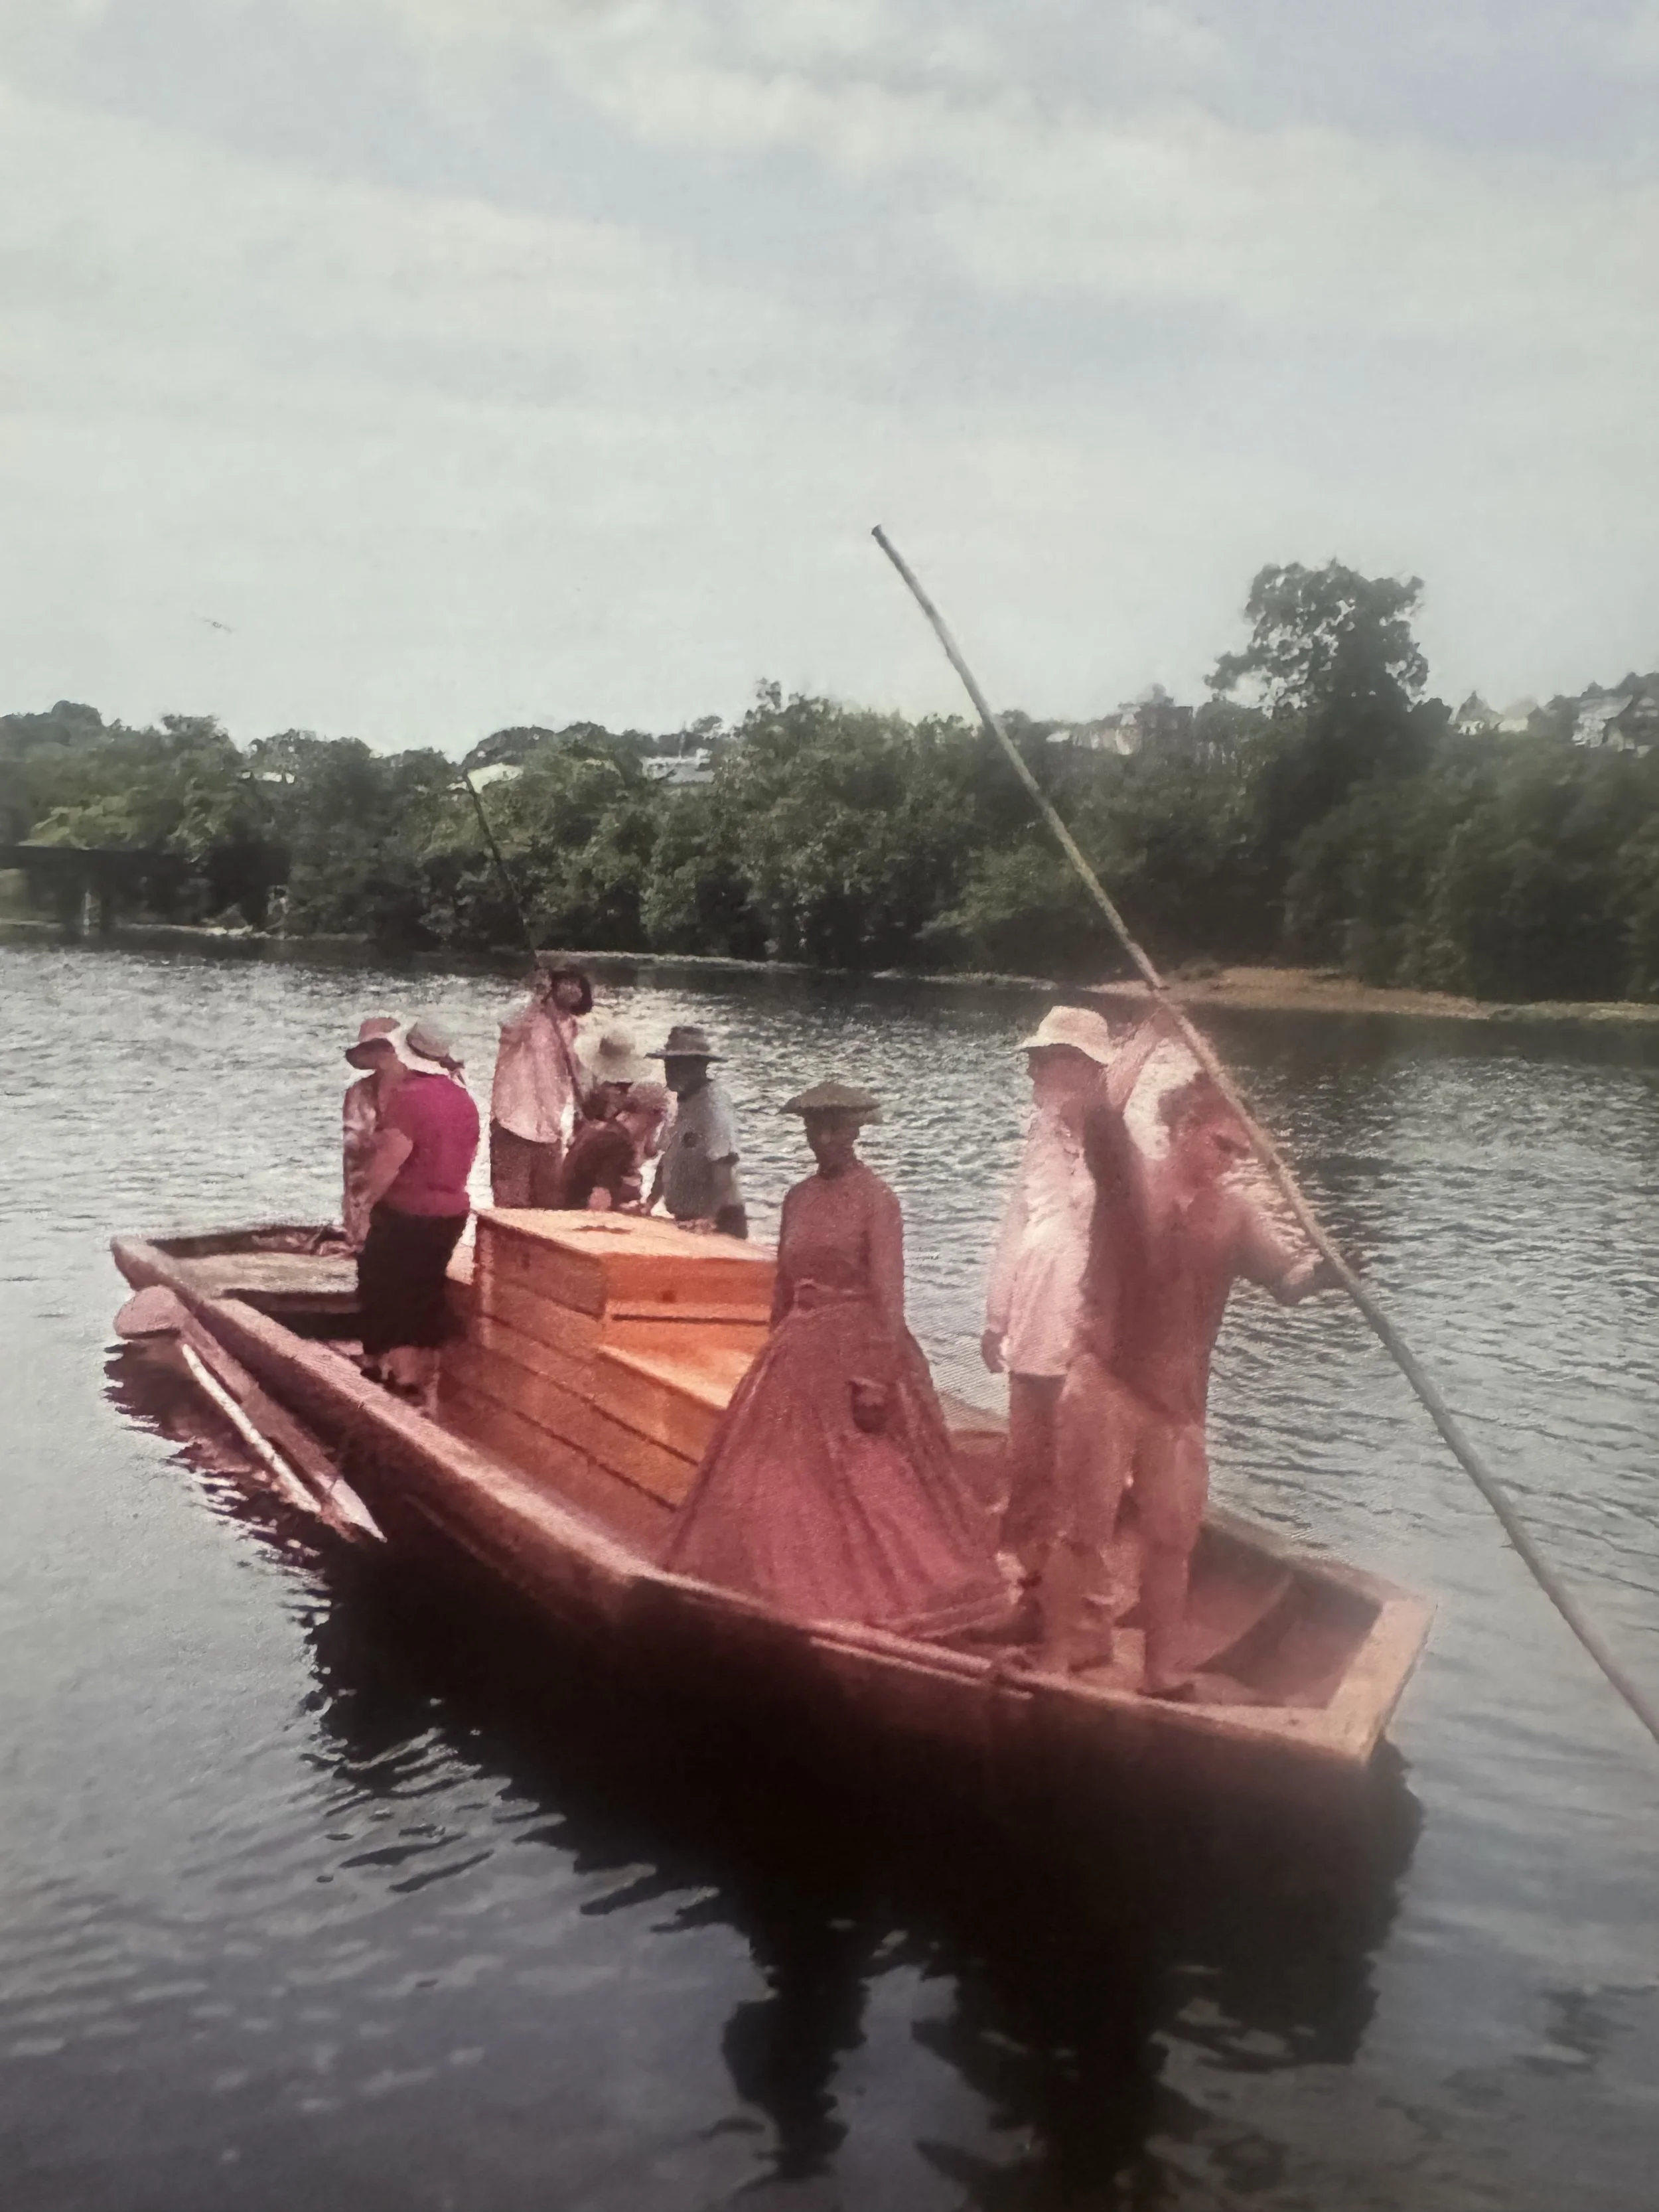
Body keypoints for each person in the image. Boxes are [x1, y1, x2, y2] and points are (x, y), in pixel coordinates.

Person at [664, 1083, 1010, 1640]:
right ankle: (772, 1588)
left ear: (856, 1131)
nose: (824, 1139)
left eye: (835, 1128)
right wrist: (771, 1353)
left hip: (859, 1345)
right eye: (814, 1128)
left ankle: (896, 1598)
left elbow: (889, 1298)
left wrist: (876, 1377)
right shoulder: (797, 1197)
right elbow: (783, 1285)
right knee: (767, 1481)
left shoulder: (879, 1199)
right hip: (798, 1349)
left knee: (873, 1478)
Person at [1043, 1052, 1339, 1695]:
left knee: (1172, 1539)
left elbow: (1284, 1282)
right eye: (1221, 1145)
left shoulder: (1235, 1215)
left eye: (1239, 1152)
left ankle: (1158, 1669)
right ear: (1182, 1128)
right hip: (1105, 1380)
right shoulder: (1128, 1179)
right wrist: (1149, 1033)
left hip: (1177, 1404)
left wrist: (1323, 1274)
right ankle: (1055, 1658)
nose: (1229, 1161)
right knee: (1082, 1531)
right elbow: (1101, 1111)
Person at [982, 1004, 1117, 1591]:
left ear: (1082, 1068)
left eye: (1047, 1061)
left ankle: (1071, 1589)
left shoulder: (1115, 1143)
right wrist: (996, 1314)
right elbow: (1015, 1223)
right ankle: (1023, 1572)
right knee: (1027, 1454)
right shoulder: (1038, 1134)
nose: (1034, 1072)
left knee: (1076, 1465)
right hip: (1034, 1312)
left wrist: (1159, 1027)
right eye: (1035, 1062)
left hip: (1087, 1324)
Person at [353, 1015, 481, 1410]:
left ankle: (392, 1373)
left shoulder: (410, 1099)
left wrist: (362, 1206)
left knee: (384, 1284)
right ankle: (420, 1380)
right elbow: (469, 1156)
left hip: (408, 1210)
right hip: (451, 1211)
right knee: (425, 1289)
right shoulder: (463, 1098)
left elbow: (389, 1162)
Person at [489, 960, 592, 1208]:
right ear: (554, 985)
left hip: (550, 1130)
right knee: (512, 1208)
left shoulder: (579, 1030)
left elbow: (585, 1081)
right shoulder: (527, 1019)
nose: (573, 989)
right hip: (513, 1123)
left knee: (547, 1210)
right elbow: (510, 1030)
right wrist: (537, 999)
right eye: (566, 981)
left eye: (578, 984)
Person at [647, 1023, 747, 1238]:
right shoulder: (677, 1103)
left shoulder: (714, 1107)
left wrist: (712, 1220)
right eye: (669, 1062)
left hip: (717, 1219)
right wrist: (649, 1203)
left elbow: (723, 1167)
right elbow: (666, 1160)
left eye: (678, 1064)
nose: (670, 1070)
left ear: (699, 1066)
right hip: (684, 1218)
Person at [557, 1080, 671, 1212]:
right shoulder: (619, 1143)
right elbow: (600, 1199)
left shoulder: (600, 1128)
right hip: (579, 1214)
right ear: (651, 1117)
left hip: (568, 1206)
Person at [341, 1013, 399, 1250]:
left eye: (387, 1048)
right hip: (366, 1188)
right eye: (376, 1049)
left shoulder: (417, 1091)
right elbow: (352, 1148)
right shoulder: (358, 1092)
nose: (384, 1056)